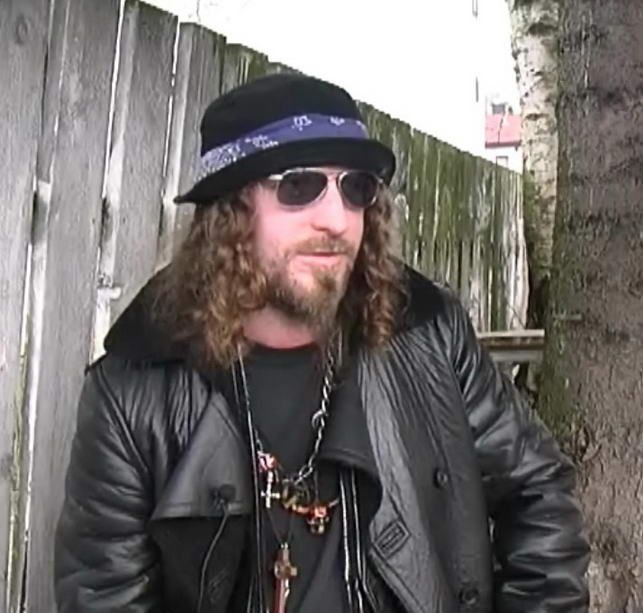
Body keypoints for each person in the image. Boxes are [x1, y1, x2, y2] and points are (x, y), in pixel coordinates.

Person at [55, 74, 589, 613]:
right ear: (229, 213)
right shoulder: (133, 393)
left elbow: (539, 490)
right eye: (299, 185)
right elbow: (106, 596)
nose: (336, 219)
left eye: (355, 188)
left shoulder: (429, 334)